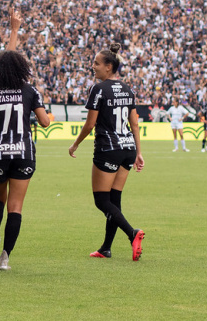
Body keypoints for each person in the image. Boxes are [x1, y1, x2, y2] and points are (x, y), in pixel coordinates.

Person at [0, 50, 50, 270]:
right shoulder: (30, 90)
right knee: (15, 207)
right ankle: (4, 258)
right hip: (23, 152)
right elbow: (44, 122)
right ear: (22, 68)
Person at [68, 43, 145, 261]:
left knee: (101, 200)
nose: (93, 67)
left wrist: (75, 144)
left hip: (108, 149)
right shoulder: (128, 89)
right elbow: (135, 124)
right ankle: (106, 248)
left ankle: (132, 233)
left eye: (96, 63)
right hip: (128, 149)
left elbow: (90, 124)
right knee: (114, 198)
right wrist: (139, 152)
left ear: (108, 67)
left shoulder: (98, 89)